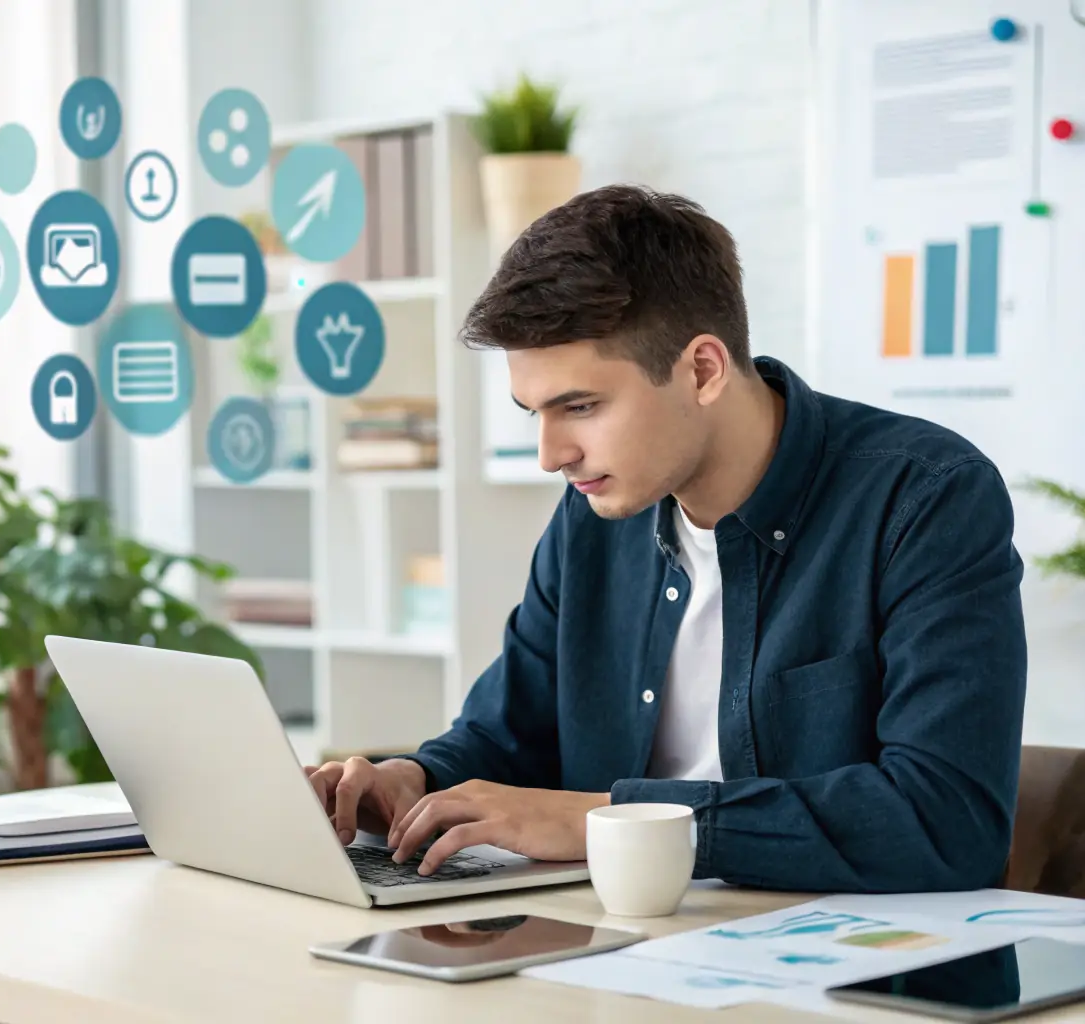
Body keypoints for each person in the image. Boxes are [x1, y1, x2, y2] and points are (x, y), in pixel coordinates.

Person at [304, 184, 1028, 893]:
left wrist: (612, 821)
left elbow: (945, 822)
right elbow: (507, 733)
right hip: (616, 945)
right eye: (534, 413)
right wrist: (411, 779)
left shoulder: (926, 497)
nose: (551, 455)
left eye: (580, 406)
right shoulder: (593, 514)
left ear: (702, 371)